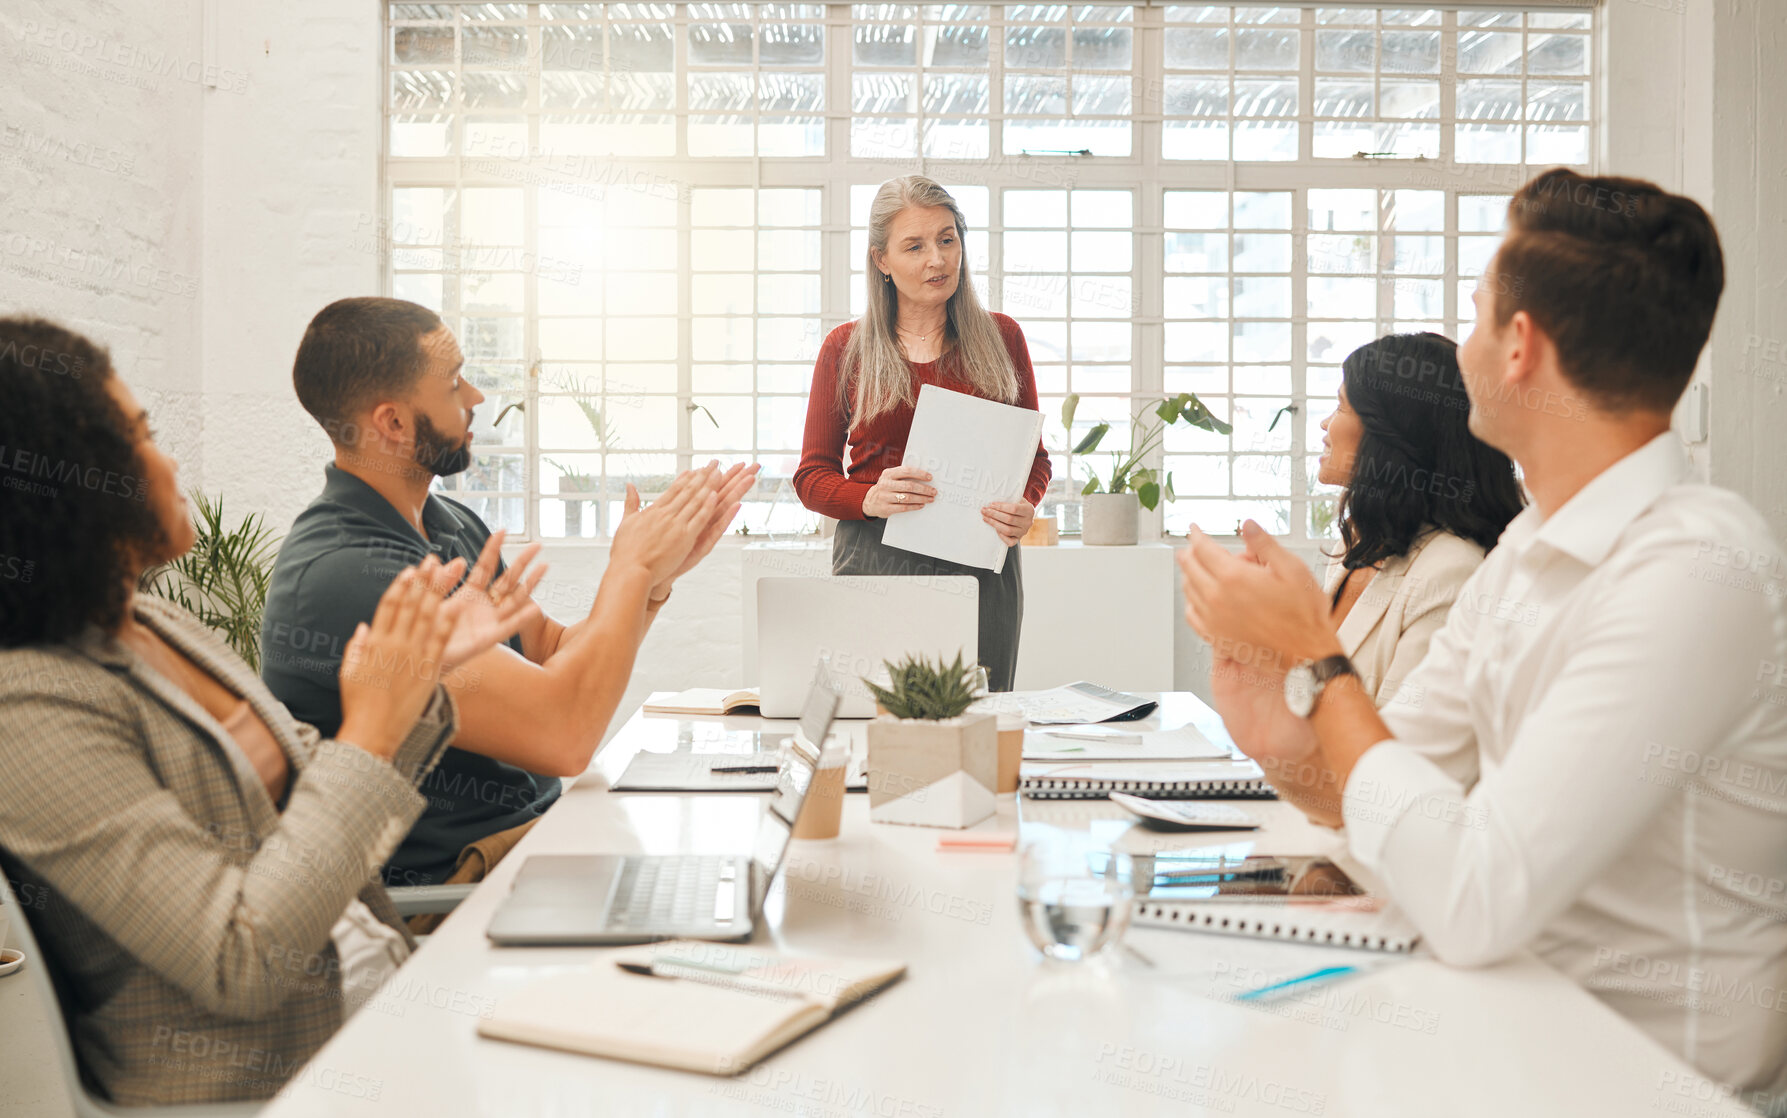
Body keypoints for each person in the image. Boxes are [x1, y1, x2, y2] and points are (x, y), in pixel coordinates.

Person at [1178, 169, 1787, 1101]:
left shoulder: (1694, 571)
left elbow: (1474, 898)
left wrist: (1318, 658)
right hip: (1503, 1029)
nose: (1455, 348)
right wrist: (1281, 722)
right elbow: (1382, 783)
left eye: (1472, 316)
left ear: (1517, 347)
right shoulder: (1529, 547)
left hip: (1634, 1080)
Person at [0, 317, 540, 1104]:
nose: (171, 459)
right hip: (284, 1082)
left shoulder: (156, 625)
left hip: (383, 1008)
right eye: (143, 434)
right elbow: (241, 961)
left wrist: (416, 674)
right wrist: (374, 722)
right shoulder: (31, 708)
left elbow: (328, 794)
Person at [261, 297, 756, 891]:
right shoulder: (346, 574)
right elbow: (564, 733)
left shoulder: (448, 523)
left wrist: (652, 583)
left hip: (539, 842)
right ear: (392, 423)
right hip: (461, 891)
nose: (475, 398)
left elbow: (551, 653)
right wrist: (631, 568)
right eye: (452, 384)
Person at [795, 175, 1049, 691]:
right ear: (881, 261)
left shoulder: (1003, 337)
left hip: (982, 563)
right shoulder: (846, 349)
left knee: (980, 724)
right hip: (875, 559)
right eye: (915, 246)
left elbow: (1034, 457)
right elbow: (811, 477)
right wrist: (869, 497)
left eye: (947, 239)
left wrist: (1024, 503)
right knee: (875, 720)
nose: (938, 259)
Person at [1314, 331, 1525, 705]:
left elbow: (1400, 741)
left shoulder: (1452, 571)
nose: (1324, 424)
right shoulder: (1357, 541)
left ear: (1390, 435)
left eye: (1342, 406)